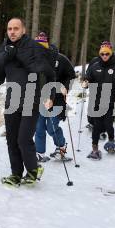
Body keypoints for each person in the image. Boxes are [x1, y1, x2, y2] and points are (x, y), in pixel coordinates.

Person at [0, 18, 55, 186]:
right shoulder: (6, 48)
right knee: (12, 140)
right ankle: (16, 174)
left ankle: (32, 171)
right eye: (9, 29)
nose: (12, 32)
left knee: (23, 139)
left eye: (16, 28)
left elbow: (48, 73)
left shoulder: (34, 48)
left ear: (23, 30)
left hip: (31, 99)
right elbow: (0, 74)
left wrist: (50, 96)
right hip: (12, 99)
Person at [33, 33, 76, 162]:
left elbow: (71, 74)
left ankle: (61, 147)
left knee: (52, 128)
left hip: (56, 99)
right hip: (39, 100)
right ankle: (39, 153)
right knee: (39, 128)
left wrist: (65, 87)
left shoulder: (60, 59)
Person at [82, 41, 115, 160]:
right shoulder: (95, 66)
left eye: (107, 54)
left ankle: (111, 141)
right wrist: (85, 82)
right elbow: (88, 77)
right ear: (100, 54)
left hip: (111, 102)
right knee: (96, 126)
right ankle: (95, 149)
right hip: (97, 101)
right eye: (102, 54)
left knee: (108, 124)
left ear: (110, 53)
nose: (105, 56)